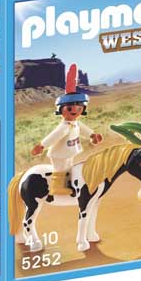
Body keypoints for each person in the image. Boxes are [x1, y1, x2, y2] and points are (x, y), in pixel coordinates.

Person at [31, 64, 102, 195]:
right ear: (61, 110)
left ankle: (68, 182)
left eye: (79, 108)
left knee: (69, 166)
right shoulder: (64, 127)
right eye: (69, 108)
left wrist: (92, 135)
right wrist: (41, 146)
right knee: (60, 169)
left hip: (69, 151)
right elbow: (53, 136)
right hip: (59, 153)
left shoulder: (76, 123)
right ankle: (57, 187)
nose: (75, 110)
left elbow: (84, 130)